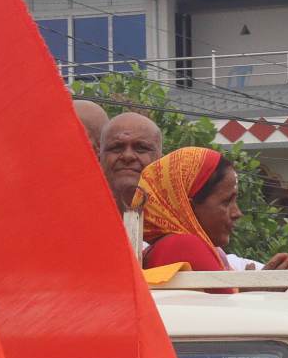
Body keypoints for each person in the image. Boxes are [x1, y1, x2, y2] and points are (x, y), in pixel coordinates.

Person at [136, 147, 239, 277]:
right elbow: (225, 297)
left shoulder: (160, 248)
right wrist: (259, 292)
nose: (237, 213)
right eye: (226, 202)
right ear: (188, 208)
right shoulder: (184, 246)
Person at [97, 112, 164, 212]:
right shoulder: (76, 215)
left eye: (141, 148)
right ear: (98, 158)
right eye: (116, 147)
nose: (128, 156)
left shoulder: (181, 221)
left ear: (161, 161)